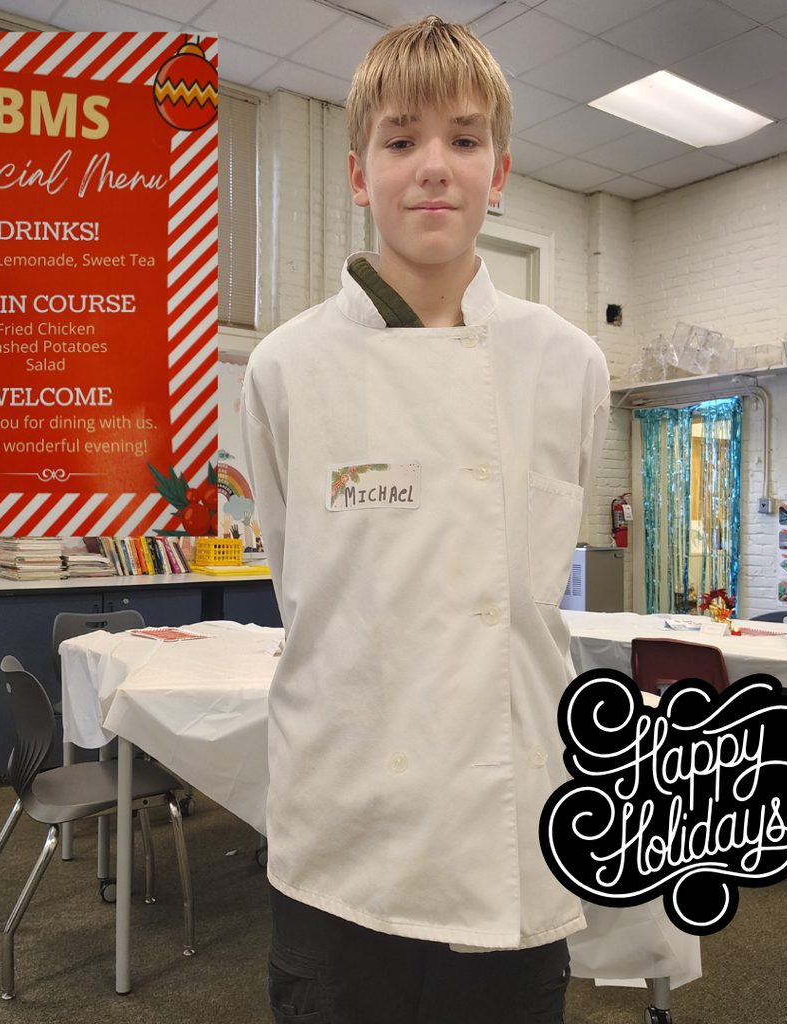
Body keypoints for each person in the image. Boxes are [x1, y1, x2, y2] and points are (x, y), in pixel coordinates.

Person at [241, 15, 610, 1023]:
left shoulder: (567, 362)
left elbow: (536, 592)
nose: (433, 167)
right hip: (341, 821)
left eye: (463, 138)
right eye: (400, 141)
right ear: (359, 174)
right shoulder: (285, 368)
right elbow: (296, 580)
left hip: (510, 817)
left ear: (499, 172)